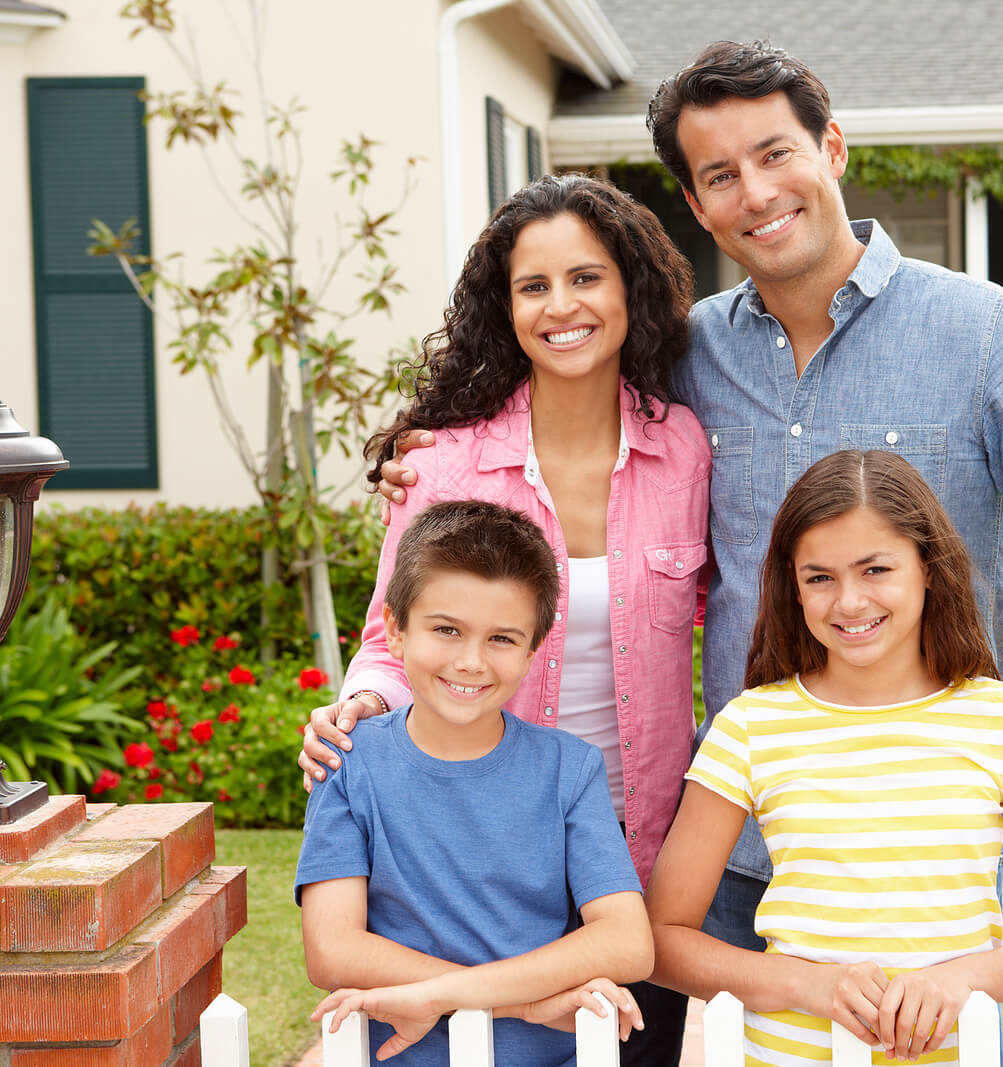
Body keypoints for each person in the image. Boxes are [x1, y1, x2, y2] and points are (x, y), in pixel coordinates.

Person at [352, 41, 1003, 957]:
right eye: (720, 175)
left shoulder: (984, 333)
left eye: (775, 153)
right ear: (696, 205)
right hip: (726, 841)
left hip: (920, 846)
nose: (757, 192)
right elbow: (557, 402)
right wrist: (428, 453)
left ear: (831, 145)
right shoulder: (685, 356)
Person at [299, 174, 709, 1060]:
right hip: (487, 863)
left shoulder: (683, 447)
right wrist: (362, 708)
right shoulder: (443, 465)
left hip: (641, 859)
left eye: (587, 277)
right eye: (534, 285)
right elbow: (390, 634)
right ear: (507, 305)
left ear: (629, 287)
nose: (562, 306)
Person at [648, 450, 1003, 1065]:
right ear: (792, 585)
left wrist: (959, 981)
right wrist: (807, 984)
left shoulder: (1002, 720)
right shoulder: (750, 726)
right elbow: (661, 938)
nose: (849, 602)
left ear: (928, 568)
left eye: (875, 570)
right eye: (820, 577)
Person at [297, 500, 653, 1064]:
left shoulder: (570, 769)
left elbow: (628, 943)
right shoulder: (350, 763)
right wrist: (525, 1003)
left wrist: (441, 996)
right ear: (394, 629)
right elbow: (333, 951)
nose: (470, 661)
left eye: (502, 639)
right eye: (446, 629)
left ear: (534, 650)